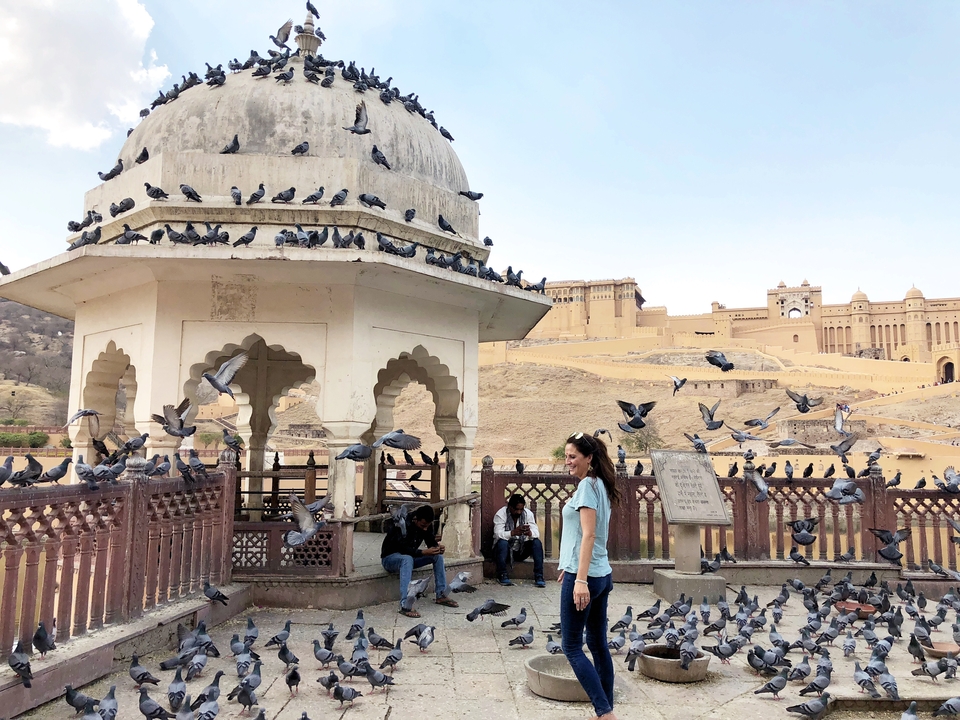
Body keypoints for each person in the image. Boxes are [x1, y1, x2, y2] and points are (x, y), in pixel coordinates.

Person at [558, 432, 619, 720]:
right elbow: (584, 536)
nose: (568, 461)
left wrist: (579, 578)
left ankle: (604, 713)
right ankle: (606, 709)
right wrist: (569, 566)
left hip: (586, 578)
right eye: (566, 455)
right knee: (597, 644)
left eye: (573, 456)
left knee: (571, 646)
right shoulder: (600, 485)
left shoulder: (586, 487)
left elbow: (589, 535)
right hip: (601, 574)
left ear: (589, 459)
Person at [381, 505, 458, 618]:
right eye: (423, 526)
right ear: (415, 519)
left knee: (437, 557)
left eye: (427, 526)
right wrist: (422, 553)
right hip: (390, 559)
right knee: (407, 559)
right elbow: (402, 549)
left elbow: (430, 541)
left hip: (411, 558)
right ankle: (405, 604)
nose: (425, 529)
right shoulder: (401, 523)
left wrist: (437, 548)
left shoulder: (426, 526)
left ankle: (441, 594)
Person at [492, 493, 545, 587]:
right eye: (516, 509)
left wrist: (530, 533)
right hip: (505, 552)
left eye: (521, 509)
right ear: (510, 507)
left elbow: (536, 533)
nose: (519, 512)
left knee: (537, 543)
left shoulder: (528, 514)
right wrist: (513, 533)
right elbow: (498, 534)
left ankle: (539, 576)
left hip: (521, 549)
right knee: (502, 543)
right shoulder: (501, 514)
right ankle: (502, 575)